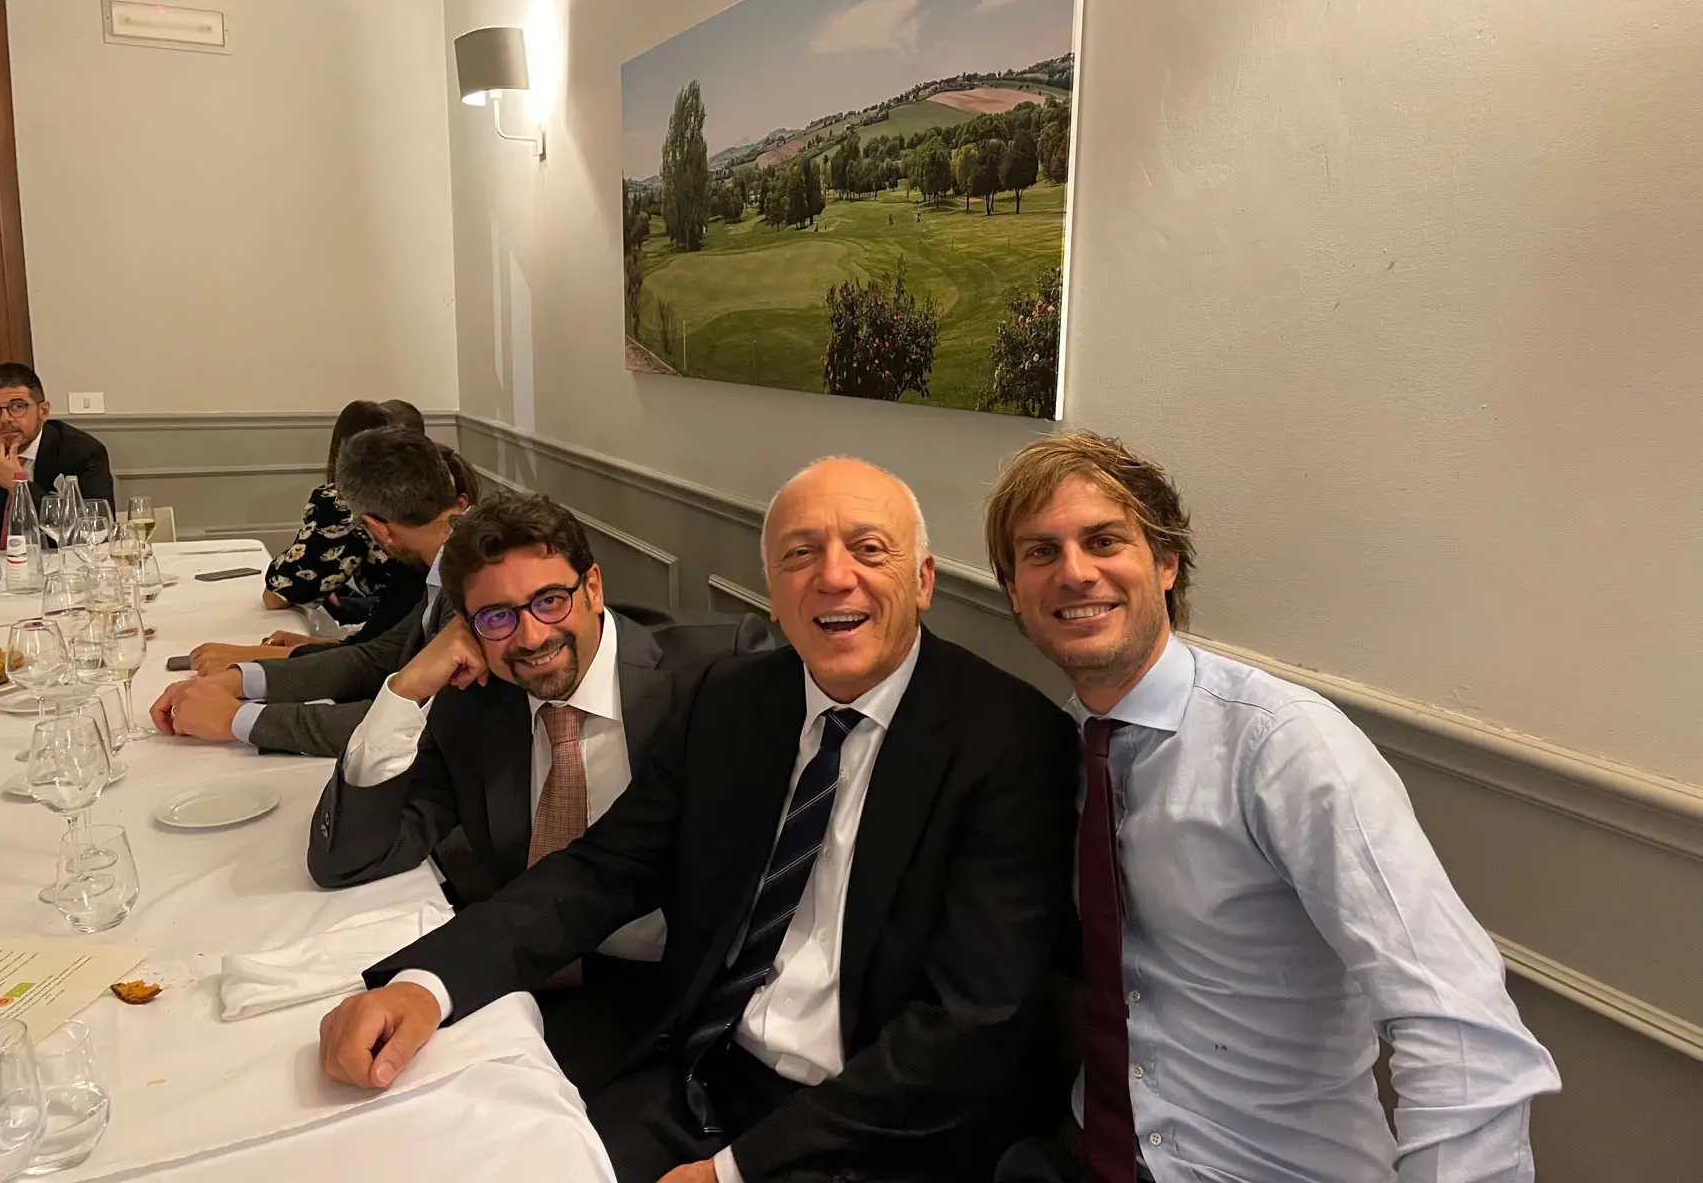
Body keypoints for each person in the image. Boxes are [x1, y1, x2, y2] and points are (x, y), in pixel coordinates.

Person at [318, 458, 1079, 1183]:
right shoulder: (732, 700)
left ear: (923, 581)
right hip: (702, 1066)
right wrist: (427, 984)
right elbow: (605, 868)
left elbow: (969, 1022)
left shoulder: (1009, 738)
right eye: (800, 554)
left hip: (877, 1125)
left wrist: (737, 1170)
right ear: (771, 592)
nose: (833, 576)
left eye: (869, 549)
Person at [982, 432, 1561, 1183]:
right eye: (1040, 552)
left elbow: (1463, 1034)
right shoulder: (1055, 749)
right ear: (1013, 592)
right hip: (1085, 1148)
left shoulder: (1281, 746)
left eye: (1103, 541)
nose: (1074, 572)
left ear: (1166, 563)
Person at [309, 491, 771, 1091]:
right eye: (496, 617)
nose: (530, 636)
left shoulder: (716, 667)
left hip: (689, 992)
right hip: (525, 975)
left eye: (551, 601)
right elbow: (349, 857)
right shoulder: (473, 704)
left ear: (594, 589)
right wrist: (405, 690)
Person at [151, 428, 469, 760]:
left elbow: (421, 727)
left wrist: (237, 719)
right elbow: (378, 657)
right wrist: (241, 679)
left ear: (379, 528)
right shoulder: (452, 558)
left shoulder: (473, 576)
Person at [256, 399, 425, 632]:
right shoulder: (440, 486)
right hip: (430, 622)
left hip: (404, 633)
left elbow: (278, 594)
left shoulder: (344, 504)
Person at [0, 362, 114, 522]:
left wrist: (18, 485)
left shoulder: (82, 451)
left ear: (43, 411)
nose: (5, 418)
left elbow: (96, 524)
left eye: (17, 406)